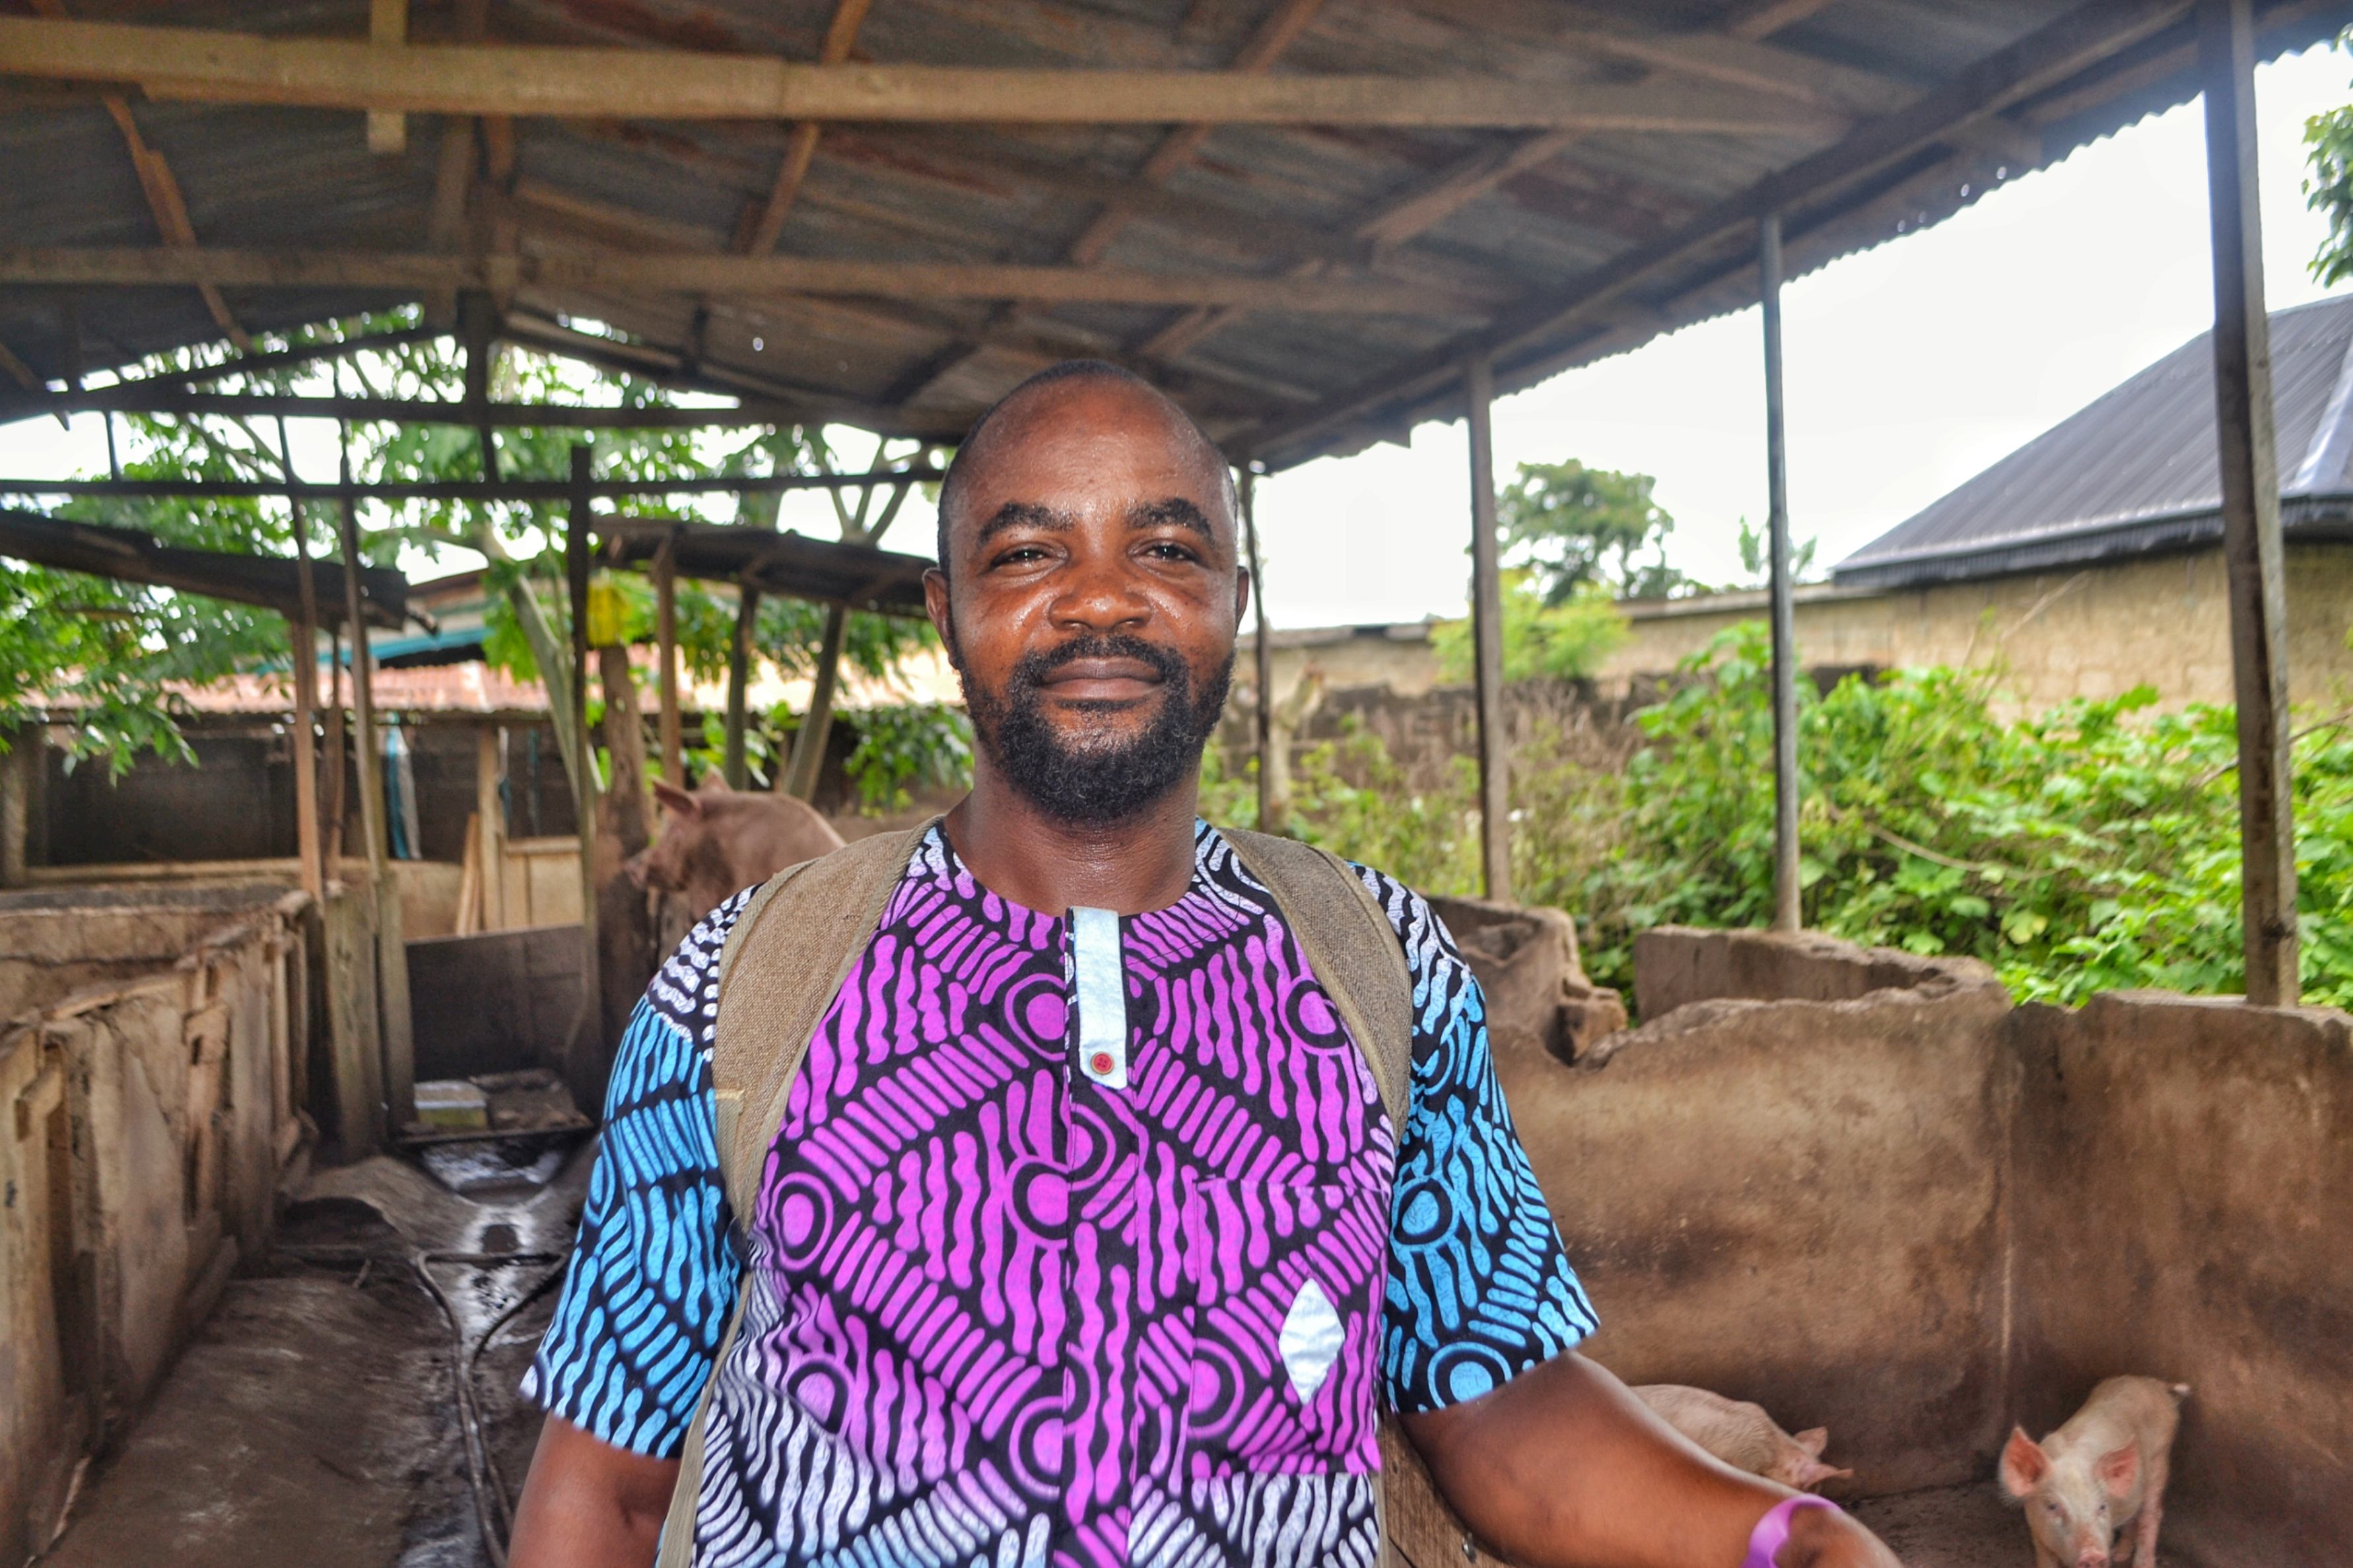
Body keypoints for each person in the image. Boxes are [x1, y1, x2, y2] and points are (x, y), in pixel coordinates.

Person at [508, 361, 1904, 1568]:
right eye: (1028, 553)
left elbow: (1501, 1413)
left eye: (1166, 551)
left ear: (1236, 600)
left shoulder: (1376, 965)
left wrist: (1784, 1534)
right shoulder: (741, 988)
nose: (1101, 602)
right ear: (943, 613)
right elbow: (606, 1492)